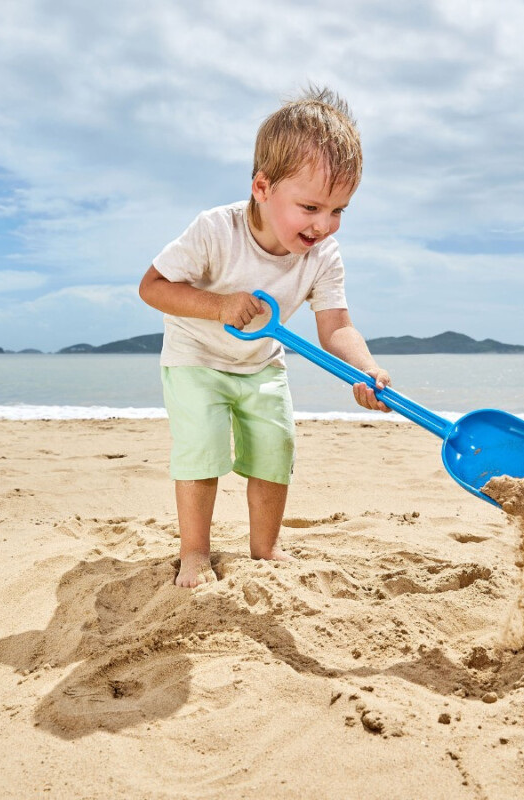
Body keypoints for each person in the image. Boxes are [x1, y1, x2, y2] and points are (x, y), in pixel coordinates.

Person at [138, 86, 391, 588]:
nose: (324, 225)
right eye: (311, 207)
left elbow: (336, 326)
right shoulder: (215, 230)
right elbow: (152, 287)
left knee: (275, 446)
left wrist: (365, 367)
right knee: (201, 447)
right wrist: (219, 305)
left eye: (339, 210)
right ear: (262, 187)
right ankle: (194, 553)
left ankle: (266, 547)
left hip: (261, 361)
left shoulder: (323, 256)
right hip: (196, 357)